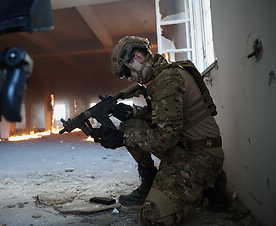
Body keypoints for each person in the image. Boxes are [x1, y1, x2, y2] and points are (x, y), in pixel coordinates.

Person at [91, 36, 230, 225]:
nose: (129, 78)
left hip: (199, 154)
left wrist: (122, 139)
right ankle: (151, 182)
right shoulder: (161, 77)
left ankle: (209, 185)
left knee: (152, 217)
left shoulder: (168, 79)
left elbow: (164, 139)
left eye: (127, 71)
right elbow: (163, 116)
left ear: (138, 57)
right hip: (183, 148)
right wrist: (130, 111)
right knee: (131, 123)